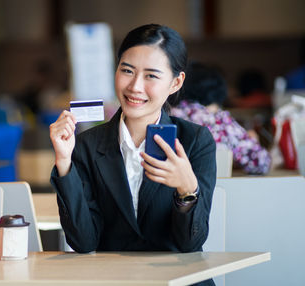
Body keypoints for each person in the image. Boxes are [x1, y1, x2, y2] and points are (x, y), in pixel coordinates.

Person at [50, 25, 216, 285]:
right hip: (113, 280)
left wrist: (187, 189)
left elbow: (191, 243)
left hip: (178, 280)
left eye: (151, 76)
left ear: (176, 82)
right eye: (127, 71)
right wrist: (64, 162)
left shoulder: (195, 141)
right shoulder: (86, 145)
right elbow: (84, 241)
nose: (135, 86)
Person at [170, 62, 271, 174]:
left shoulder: (167, 115)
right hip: (214, 189)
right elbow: (262, 163)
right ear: (219, 91)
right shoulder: (220, 122)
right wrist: (253, 140)